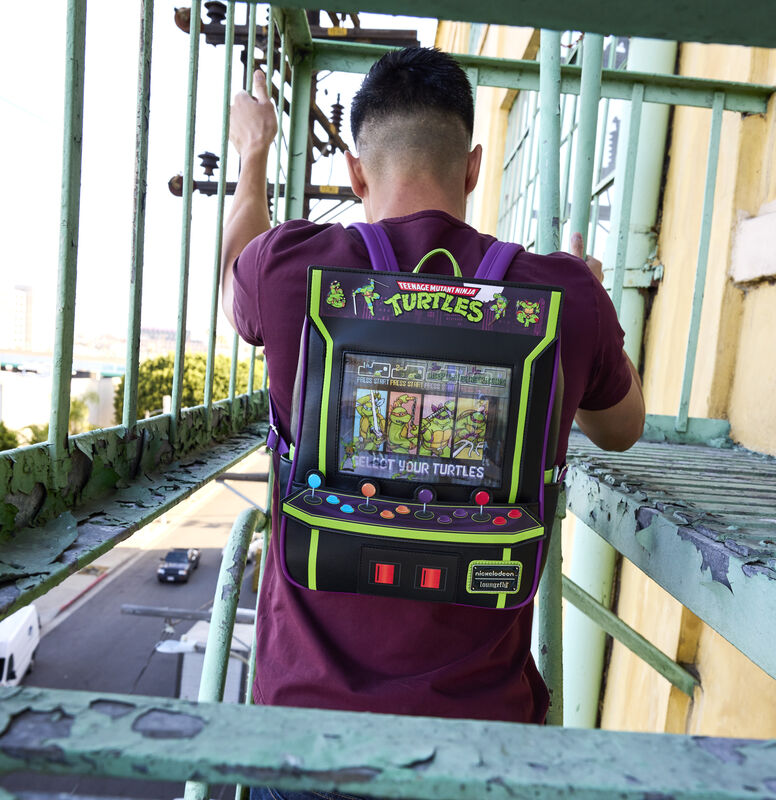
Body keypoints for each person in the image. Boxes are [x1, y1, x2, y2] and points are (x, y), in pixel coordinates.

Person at [221, 45, 644, 790]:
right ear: (474, 167)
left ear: (356, 174)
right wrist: (593, 312)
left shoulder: (288, 269)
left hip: (305, 736)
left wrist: (253, 154)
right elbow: (621, 428)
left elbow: (234, 269)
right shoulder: (564, 297)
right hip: (480, 747)